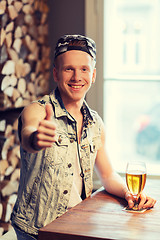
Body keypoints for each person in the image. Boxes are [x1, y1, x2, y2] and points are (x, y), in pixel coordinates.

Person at [8, 34, 156, 240]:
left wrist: (129, 193)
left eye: (84, 69)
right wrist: (35, 139)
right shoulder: (37, 111)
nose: (77, 77)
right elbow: (28, 134)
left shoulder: (95, 123)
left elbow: (107, 176)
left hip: (75, 225)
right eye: (69, 69)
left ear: (93, 75)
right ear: (56, 74)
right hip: (37, 231)